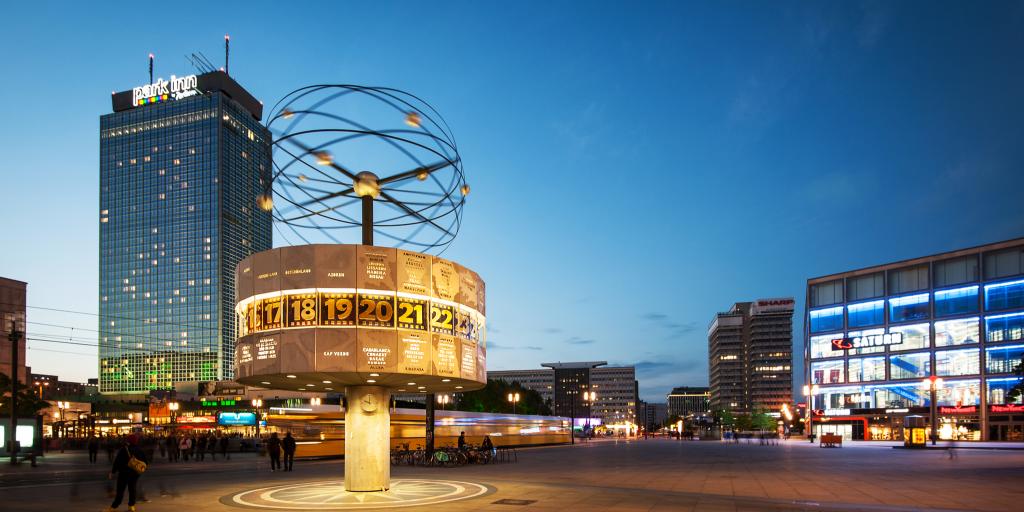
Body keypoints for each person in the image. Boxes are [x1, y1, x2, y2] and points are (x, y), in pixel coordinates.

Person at [104, 434, 148, 512]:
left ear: (128, 441)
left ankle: (114, 507)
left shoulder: (124, 449)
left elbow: (117, 462)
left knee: (120, 490)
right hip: (134, 474)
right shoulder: (139, 450)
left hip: (123, 473)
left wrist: (113, 472)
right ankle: (131, 506)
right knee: (132, 490)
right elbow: (145, 462)